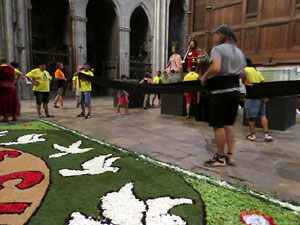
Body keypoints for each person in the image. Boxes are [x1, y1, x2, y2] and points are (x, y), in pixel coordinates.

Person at [201, 25, 246, 167]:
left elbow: (216, 68)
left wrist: (204, 76)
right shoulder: (239, 52)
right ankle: (230, 156)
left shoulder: (218, 49)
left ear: (220, 35)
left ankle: (220, 158)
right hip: (235, 92)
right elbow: (243, 74)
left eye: (215, 35)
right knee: (229, 125)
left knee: (218, 126)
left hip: (220, 92)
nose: (214, 38)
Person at [243, 58, 273, 142]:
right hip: (261, 97)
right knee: (263, 115)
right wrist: (265, 95)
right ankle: (266, 134)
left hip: (251, 97)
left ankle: (253, 135)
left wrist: (243, 82)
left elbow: (241, 75)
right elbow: (263, 82)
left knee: (251, 117)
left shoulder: (245, 69)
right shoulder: (257, 71)